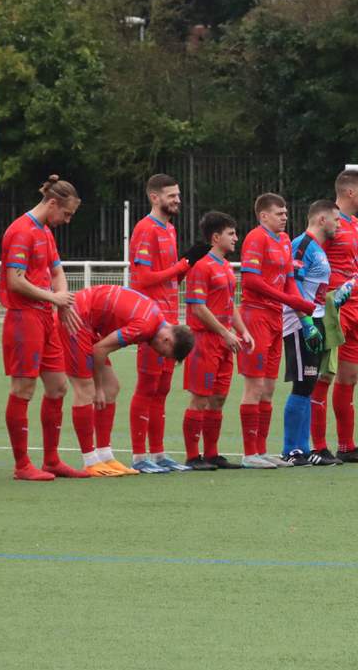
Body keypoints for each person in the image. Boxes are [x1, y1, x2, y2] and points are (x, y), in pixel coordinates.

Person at [0, 175, 88, 481]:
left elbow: (56, 269)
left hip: (45, 317)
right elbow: (15, 280)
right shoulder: (21, 231)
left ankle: (51, 460)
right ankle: (22, 464)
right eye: (66, 213)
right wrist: (54, 297)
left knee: (58, 386)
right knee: (23, 388)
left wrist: (62, 302)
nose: (67, 220)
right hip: (24, 317)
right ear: (52, 203)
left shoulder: (45, 232)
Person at [60, 285, 194, 476]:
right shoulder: (145, 327)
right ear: (167, 340)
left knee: (112, 388)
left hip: (86, 319)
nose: (160, 355)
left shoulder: (157, 319)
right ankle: (90, 460)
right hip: (76, 319)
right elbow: (99, 350)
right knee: (86, 390)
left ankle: (105, 455)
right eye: (164, 353)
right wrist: (98, 388)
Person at [237, 193, 317, 468]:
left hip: (276, 319)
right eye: (279, 213)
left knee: (269, 388)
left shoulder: (284, 240)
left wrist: (300, 307)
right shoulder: (255, 238)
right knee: (255, 385)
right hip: (256, 315)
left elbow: (289, 280)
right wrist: (290, 301)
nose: (285, 216)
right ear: (264, 216)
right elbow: (250, 281)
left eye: (285, 212)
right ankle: (249, 454)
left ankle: (261, 450)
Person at [311, 170, 358, 463]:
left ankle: (347, 446)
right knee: (323, 376)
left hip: (353, 311)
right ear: (350, 192)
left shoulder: (356, 224)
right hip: (331, 309)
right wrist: (319, 306)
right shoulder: (329, 222)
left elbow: (352, 268)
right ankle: (318, 446)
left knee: (349, 377)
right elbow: (314, 263)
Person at [282, 200, 355, 465]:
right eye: (336, 220)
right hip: (300, 323)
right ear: (322, 219)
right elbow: (293, 286)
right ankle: (292, 450)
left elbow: (313, 291)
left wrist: (335, 299)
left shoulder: (319, 249)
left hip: (316, 320)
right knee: (302, 385)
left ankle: (304, 449)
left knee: (309, 385)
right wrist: (306, 322)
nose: (339, 225)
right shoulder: (302, 245)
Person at [128, 173, 192, 473]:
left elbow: (167, 277)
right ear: (155, 197)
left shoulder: (169, 229)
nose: (177, 199)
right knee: (148, 386)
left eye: (178, 194)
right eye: (172, 195)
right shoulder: (145, 229)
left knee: (163, 388)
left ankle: (159, 452)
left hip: (170, 319)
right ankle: (140, 457)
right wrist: (179, 267)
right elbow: (142, 278)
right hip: (150, 320)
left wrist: (185, 269)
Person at [182, 212, 252, 471]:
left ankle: (211, 453)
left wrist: (243, 330)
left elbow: (229, 304)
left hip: (225, 341)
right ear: (215, 237)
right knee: (200, 398)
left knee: (219, 398)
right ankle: (192, 456)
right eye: (231, 233)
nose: (236, 238)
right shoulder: (202, 267)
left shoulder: (225, 266)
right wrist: (225, 333)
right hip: (204, 341)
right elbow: (198, 308)